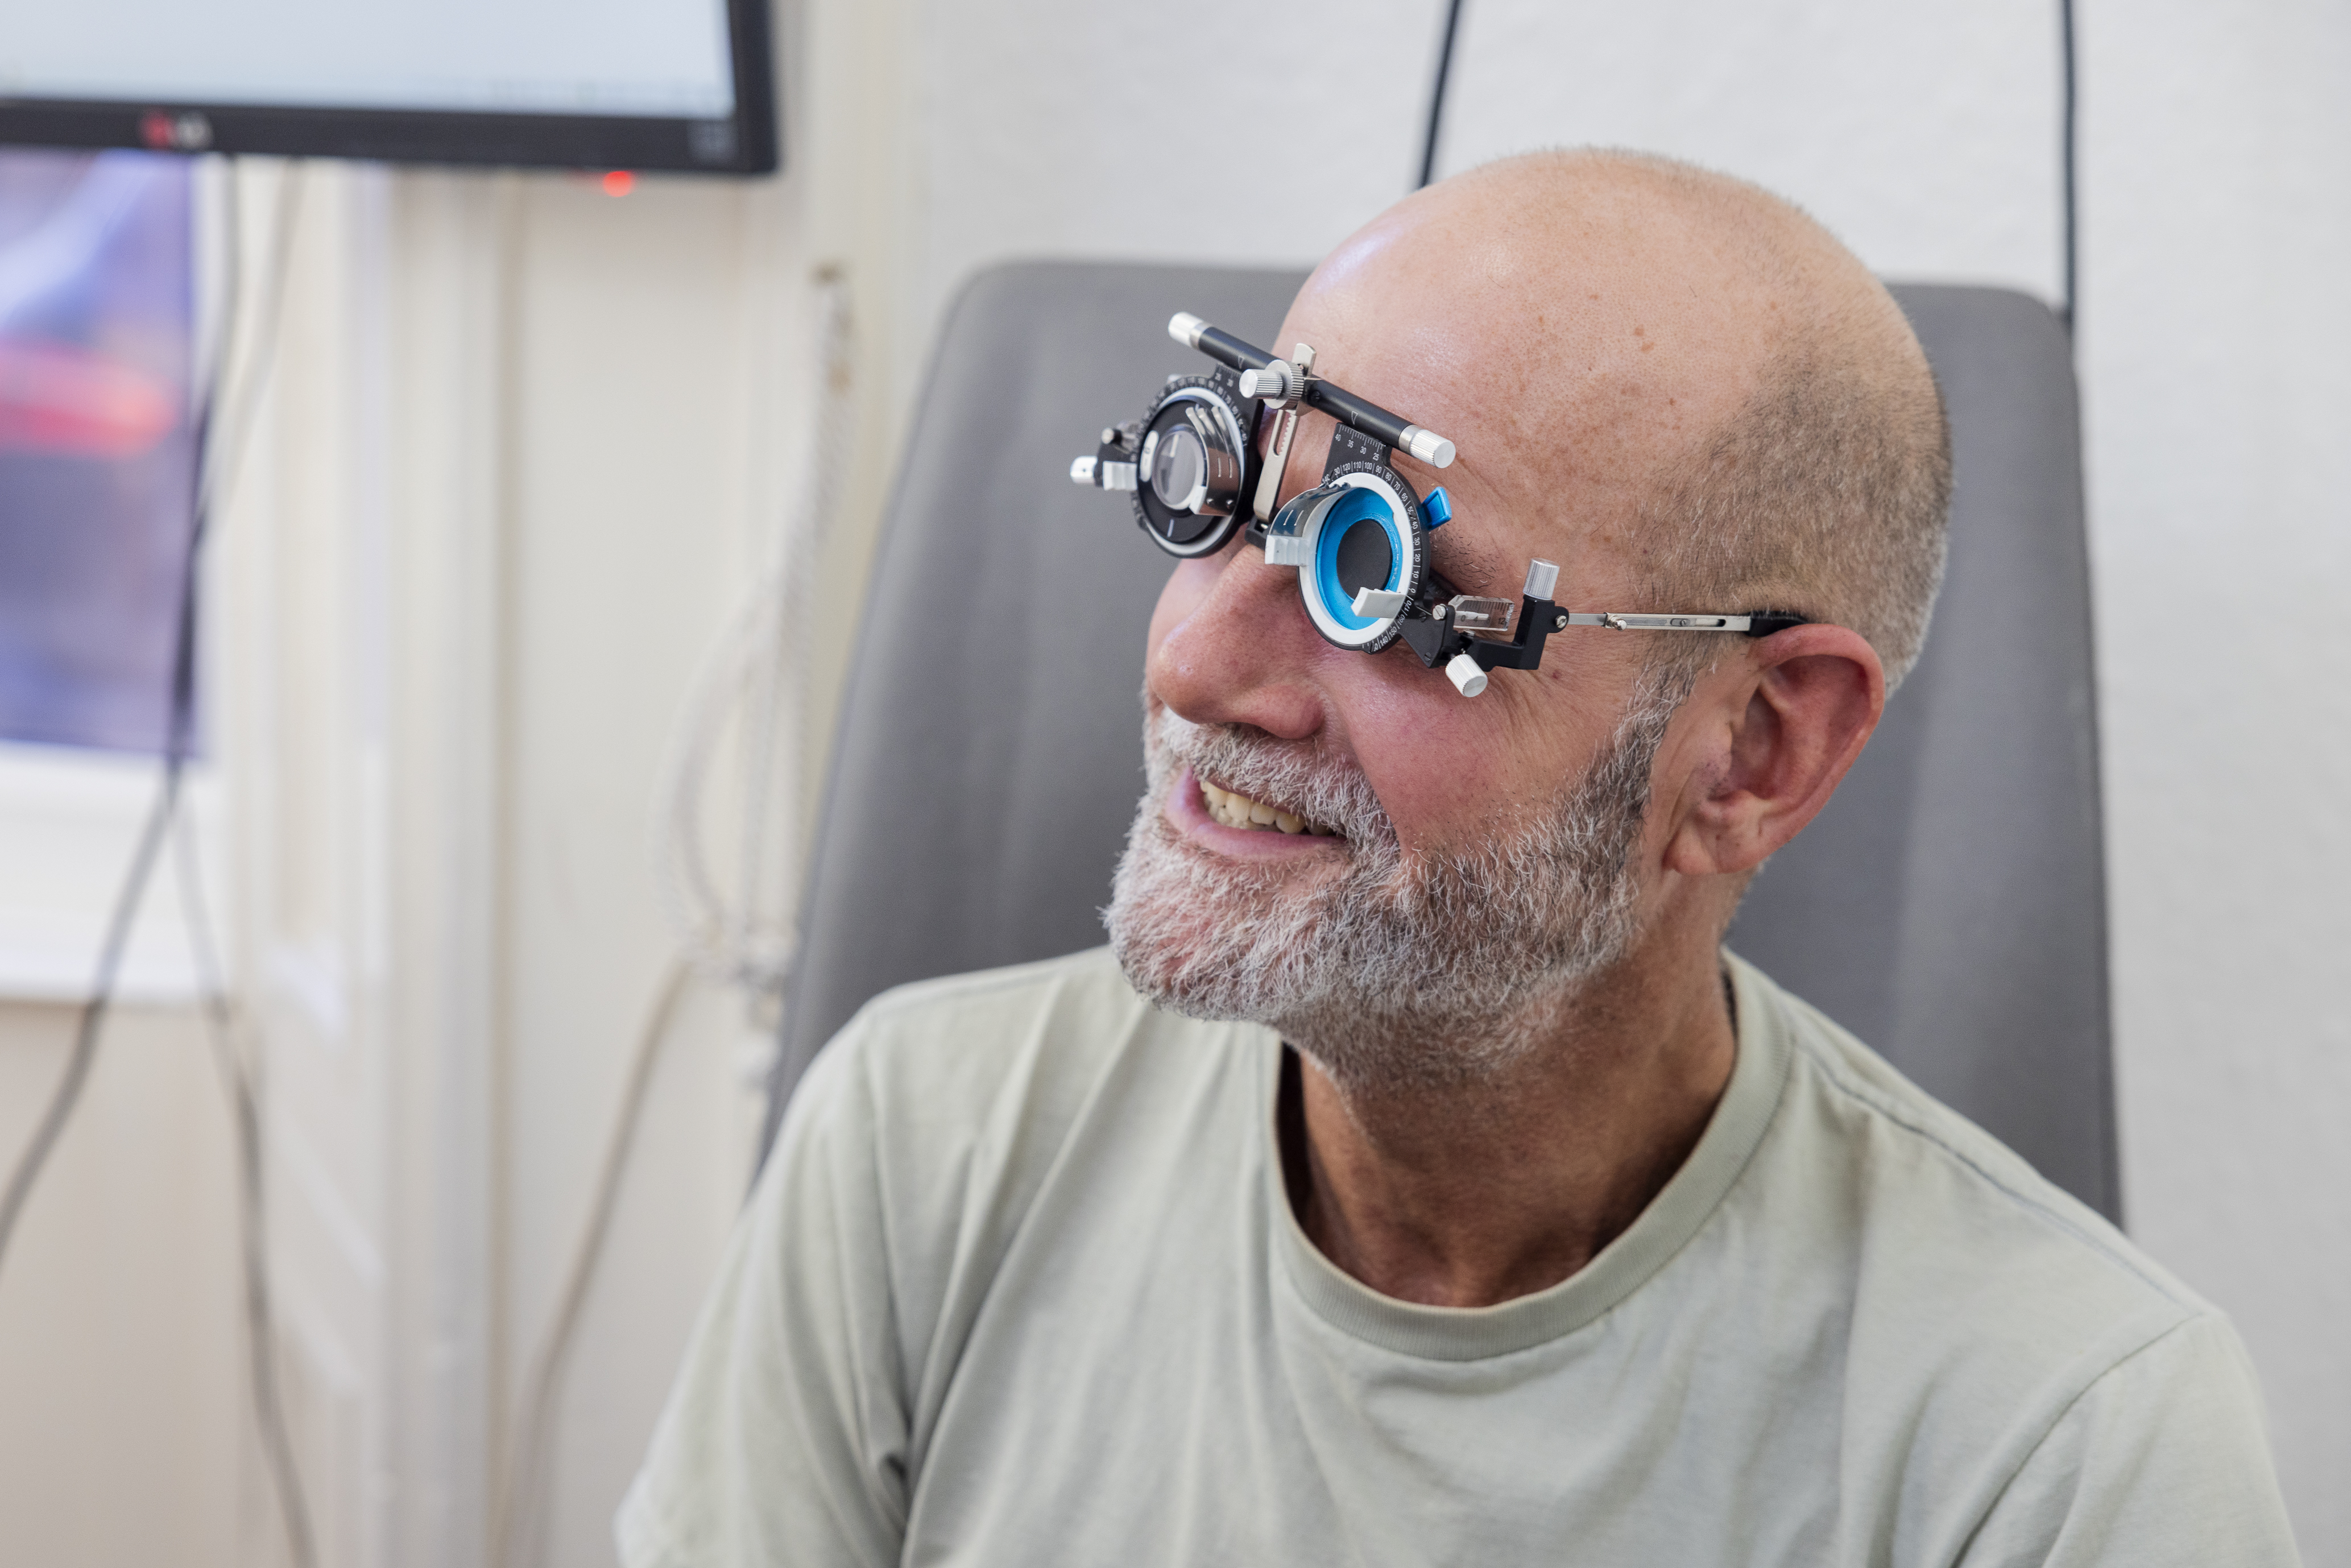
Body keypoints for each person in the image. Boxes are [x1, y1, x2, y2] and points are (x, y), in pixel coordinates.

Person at [619, 151, 2300, 1566]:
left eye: (1379, 575)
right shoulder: (918, 1154)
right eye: (1229, 500)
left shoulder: (2070, 1451)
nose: (1200, 668)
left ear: (1754, 749)